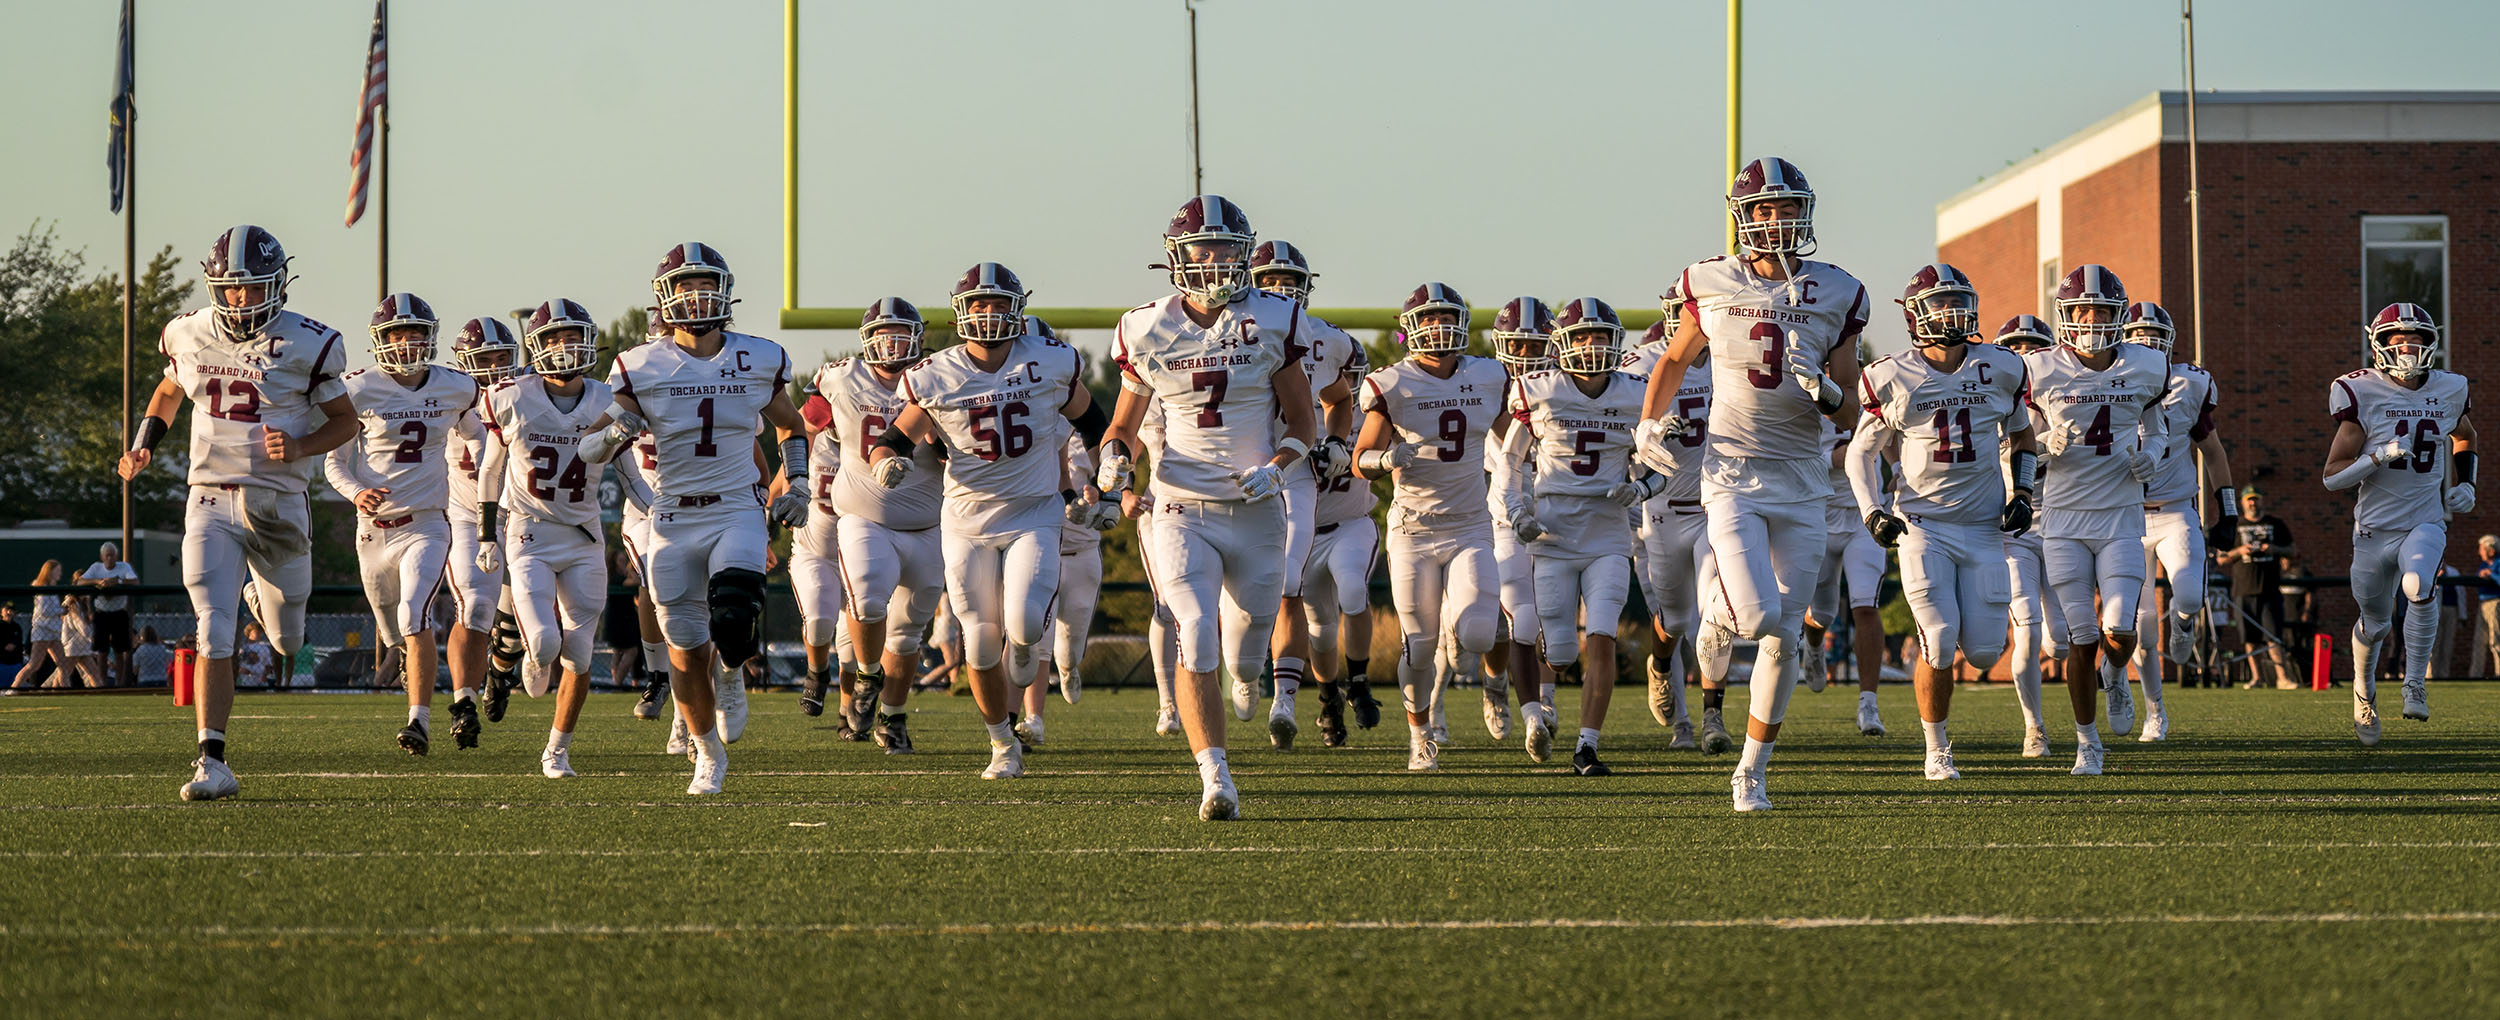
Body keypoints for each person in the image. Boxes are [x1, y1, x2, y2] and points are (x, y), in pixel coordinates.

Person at [1638, 156, 1870, 813]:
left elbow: (1853, 407)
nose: (1777, 219)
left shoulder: (1838, 290)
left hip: (1801, 481)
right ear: (1743, 216)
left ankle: (1750, 770)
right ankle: (1712, 621)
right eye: (1765, 208)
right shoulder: (1710, 280)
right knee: (1758, 615)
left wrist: (1825, 391)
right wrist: (1648, 424)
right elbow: (1676, 358)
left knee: (1785, 635)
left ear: (1806, 213)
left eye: (1788, 207)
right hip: (1733, 474)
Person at [119, 225, 358, 800]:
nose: (237, 300)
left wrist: (300, 447)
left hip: (278, 504)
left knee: (287, 638)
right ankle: (212, 760)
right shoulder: (189, 332)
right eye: (229, 289)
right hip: (209, 495)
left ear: (276, 285)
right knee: (213, 629)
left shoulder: (311, 342)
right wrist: (145, 440)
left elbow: (347, 421)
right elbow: (169, 391)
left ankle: (264, 595)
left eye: (250, 289)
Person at [1098, 196, 1312, 819]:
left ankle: (1246, 681)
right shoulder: (1145, 326)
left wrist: (1278, 469)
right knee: (1194, 628)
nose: (1215, 260)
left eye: (1226, 249)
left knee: (1246, 658)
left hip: (1254, 510)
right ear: (1178, 257)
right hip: (1180, 505)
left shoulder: (1275, 318)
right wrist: (1115, 459)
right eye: (1203, 249)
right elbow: (1123, 424)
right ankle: (1215, 776)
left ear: (1244, 256)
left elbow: (1301, 419)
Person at [591, 242, 812, 794]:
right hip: (670, 516)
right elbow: (600, 436)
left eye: (704, 285)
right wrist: (606, 437)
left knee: (734, 618)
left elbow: (790, 425)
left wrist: (800, 482)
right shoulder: (641, 364)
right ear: (666, 297)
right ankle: (707, 752)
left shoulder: (758, 356)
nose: (695, 297)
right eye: (684, 286)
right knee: (686, 650)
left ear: (725, 291)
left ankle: (733, 671)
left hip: (736, 505)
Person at [873, 262, 1103, 785]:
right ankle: (1002, 743)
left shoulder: (1047, 361)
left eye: (998, 303)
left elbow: (1093, 419)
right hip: (967, 522)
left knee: (1021, 625)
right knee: (977, 640)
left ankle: (1025, 653)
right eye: (978, 304)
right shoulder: (937, 372)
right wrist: (886, 459)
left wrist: (1108, 469)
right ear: (961, 312)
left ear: (1018, 309)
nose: (989, 313)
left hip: (1033, 514)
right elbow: (895, 437)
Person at [1846, 264, 2036, 781]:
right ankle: (1937, 748)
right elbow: (1860, 454)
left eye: (1958, 302)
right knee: (1938, 634)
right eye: (1939, 304)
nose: (1952, 313)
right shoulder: (1891, 375)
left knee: (1983, 649)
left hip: (1982, 527)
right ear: (1915, 315)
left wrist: (2024, 490)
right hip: (1923, 524)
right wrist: (1871, 510)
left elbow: (2022, 437)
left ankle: (1940, 731)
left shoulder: (2001, 367)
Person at [1501, 297, 1661, 777]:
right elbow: (1509, 463)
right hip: (1551, 537)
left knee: (1603, 636)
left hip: (1608, 537)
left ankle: (1587, 746)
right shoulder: (1539, 391)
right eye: (1582, 336)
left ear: (1616, 344)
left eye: (1601, 336)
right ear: (1563, 345)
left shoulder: (1638, 393)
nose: (1592, 346)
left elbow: (1662, 467)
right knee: (1563, 651)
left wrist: (1641, 486)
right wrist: (1516, 513)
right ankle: (1546, 704)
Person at [2022, 264, 2170, 775]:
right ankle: (2088, 743)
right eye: (2081, 310)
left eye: (2101, 310)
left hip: (2120, 518)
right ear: (2064, 316)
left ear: (2118, 316)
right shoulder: (2039, 369)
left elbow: (2158, 427)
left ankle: (2117, 673)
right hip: (2062, 521)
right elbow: (2011, 443)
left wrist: (2153, 453)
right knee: (2079, 637)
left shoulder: (2146, 366)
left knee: (2120, 633)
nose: (2090, 319)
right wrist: (2042, 448)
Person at [1353, 283, 1507, 772]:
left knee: (1480, 633)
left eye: (1447, 317)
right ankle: (1420, 736)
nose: (1439, 327)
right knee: (1419, 645)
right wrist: (1385, 456)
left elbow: (1516, 438)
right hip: (1414, 531)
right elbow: (1360, 461)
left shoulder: (1489, 375)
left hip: (1469, 525)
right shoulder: (1392, 383)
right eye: (1430, 318)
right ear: (1412, 328)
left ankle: (1487, 675)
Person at [323, 293, 480, 755]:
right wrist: (356, 492)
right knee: (391, 629)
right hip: (372, 530)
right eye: (396, 333)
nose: (407, 341)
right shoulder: (358, 388)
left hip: (428, 524)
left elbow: (480, 437)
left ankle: (419, 721)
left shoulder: (455, 386)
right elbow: (335, 464)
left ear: (430, 337)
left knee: (415, 613)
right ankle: (408, 665)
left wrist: (485, 467)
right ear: (380, 340)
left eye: (415, 332)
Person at [476, 298, 624, 779]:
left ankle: (557, 750)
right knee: (542, 641)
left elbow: (627, 471)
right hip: (530, 532)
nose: (564, 348)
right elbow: (490, 469)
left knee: (580, 655)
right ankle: (532, 661)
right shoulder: (512, 396)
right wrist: (485, 532)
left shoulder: (609, 399)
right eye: (554, 339)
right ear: (537, 348)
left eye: (572, 337)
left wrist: (654, 511)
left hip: (584, 535)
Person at [2321, 302, 2476, 744]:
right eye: (2398, 338)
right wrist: (2376, 457)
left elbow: (2465, 434)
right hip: (2373, 530)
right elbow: (2332, 477)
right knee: (2374, 622)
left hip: (2424, 520)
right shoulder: (2360, 390)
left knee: (2417, 585)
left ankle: (2415, 681)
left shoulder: (2449, 388)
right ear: (2380, 344)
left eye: (2417, 339)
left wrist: (2467, 482)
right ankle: (2363, 693)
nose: (2408, 346)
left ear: (2432, 344)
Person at [807, 297, 952, 754]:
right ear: (866, 340)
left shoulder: (939, 376)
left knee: (908, 632)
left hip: (928, 522)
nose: (892, 343)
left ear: (918, 338)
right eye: (882, 334)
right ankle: (868, 672)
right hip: (864, 517)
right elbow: (804, 423)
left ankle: (893, 717)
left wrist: (941, 437)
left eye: (900, 333)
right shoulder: (839, 376)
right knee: (868, 598)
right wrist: (795, 474)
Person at [1243, 241, 1360, 750]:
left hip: (1292, 469)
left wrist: (1335, 440)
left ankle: (1285, 698)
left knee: (1289, 581)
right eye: (1270, 279)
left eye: (1291, 282)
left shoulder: (1325, 339)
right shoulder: (1226, 329)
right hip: (1233, 468)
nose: (1282, 290)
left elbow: (1339, 399)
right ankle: (1244, 668)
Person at [2121, 301, 2235, 740]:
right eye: (2140, 336)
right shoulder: (2107, 384)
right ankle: (2155, 711)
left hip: (2174, 511)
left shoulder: (2190, 383)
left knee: (2187, 595)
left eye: (2156, 336)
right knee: (2143, 629)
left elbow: (2214, 453)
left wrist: (2226, 510)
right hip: (2125, 518)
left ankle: (2184, 622)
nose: (2149, 344)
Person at [1623, 288, 1717, 751]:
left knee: (1714, 616)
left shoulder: (1733, 361)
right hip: (1659, 509)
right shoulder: (1643, 364)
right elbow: (1609, 425)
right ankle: (1661, 669)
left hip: (1717, 508)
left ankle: (1710, 716)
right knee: (1676, 621)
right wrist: (1649, 429)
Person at [442, 317, 527, 732]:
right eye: (484, 359)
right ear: (463, 363)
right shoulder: (445, 393)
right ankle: (464, 704)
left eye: (501, 359)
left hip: (524, 514)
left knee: (515, 625)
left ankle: (499, 673)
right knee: (474, 606)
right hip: (466, 514)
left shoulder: (529, 392)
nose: (494, 368)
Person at [1991, 316, 2066, 754]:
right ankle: (2033, 726)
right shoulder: (1985, 400)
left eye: (2033, 348)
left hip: (2057, 524)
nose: (2024, 356)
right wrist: (2040, 449)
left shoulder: (2063, 400)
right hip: (2011, 529)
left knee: (2061, 640)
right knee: (2028, 632)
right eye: (2015, 347)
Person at [1300, 342, 1379, 748]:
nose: (1347, 384)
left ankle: (1360, 682)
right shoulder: (1297, 416)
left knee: (1353, 588)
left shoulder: (1372, 416)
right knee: (1321, 630)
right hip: (1307, 534)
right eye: (1341, 376)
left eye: (1352, 376)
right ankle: (1329, 698)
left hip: (1352, 523)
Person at [1488, 298, 1559, 747]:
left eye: (1536, 346)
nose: (1526, 355)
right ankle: (1496, 685)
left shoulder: (1563, 385)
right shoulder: (1482, 384)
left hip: (1554, 513)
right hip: (1499, 515)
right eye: (1518, 345)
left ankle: (1543, 700)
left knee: (1549, 612)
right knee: (1497, 624)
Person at [2212, 488, 2298, 689]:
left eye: (2256, 500)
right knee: (2249, 637)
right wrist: (2240, 551)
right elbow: (2221, 558)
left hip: (2269, 589)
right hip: (2243, 588)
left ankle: (2282, 678)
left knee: (2273, 635)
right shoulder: (2235, 526)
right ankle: (2256, 677)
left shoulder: (2275, 524)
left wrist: (2274, 549)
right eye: (2249, 500)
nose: (2253, 504)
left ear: (2261, 501)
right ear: (2242, 503)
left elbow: (2293, 550)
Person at [78, 542, 141, 687]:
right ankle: (102, 683)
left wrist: (117, 581)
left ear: (116, 556)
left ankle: (119, 683)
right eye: (106, 555)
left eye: (112, 555)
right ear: (102, 557)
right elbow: (80, 582)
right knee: (102, 651)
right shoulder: (96, 567)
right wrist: (98, 582)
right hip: (102, 614)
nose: (109, 558)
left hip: (119, 613)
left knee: (120, 651)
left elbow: (135, 582)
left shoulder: (123, 567)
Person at [21, 562, 68, 690]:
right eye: (57, 571)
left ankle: (63, 691)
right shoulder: (41, 586)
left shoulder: (52, 587)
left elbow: (51, 609)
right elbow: (44, 611)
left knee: (63, 663)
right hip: (42, 631)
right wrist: (61, 610)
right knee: (34, 665)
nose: (60, 574)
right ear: (50, 571)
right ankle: (13, 689)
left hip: (54, 631)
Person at [2473, 536, 2500, 677]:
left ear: (2491, 550)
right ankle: (2475, 675)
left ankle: (2498, 673)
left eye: (2482, 549)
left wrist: (2491, 575)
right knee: (2479, 641)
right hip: (2482, 604)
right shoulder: (2483, 565)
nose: (2480, 553)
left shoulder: (2498, 563)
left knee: (2495, 640)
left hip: (2495, 603)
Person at [236, 622, 274, 690]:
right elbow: (236, 662)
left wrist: (265, 676)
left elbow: (268, 665)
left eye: (260, 632)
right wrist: (240, 670)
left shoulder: (264, 647)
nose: (259, 634)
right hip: (243, 679)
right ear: (249, 632)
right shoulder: (242, 647)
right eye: (256, 631)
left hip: (259, 680)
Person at [0, 603, 23, 689]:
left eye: (12, 610)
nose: (9, 612)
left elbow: (18, 644)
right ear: (1, 612)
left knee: (14, 688)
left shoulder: (17, 627)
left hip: (15, 664)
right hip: (1, 664)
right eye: (7, 610)